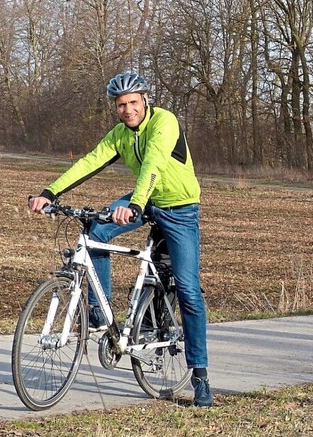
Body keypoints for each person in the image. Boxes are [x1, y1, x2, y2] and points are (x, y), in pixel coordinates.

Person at [28, 71, 213, 408]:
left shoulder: (165, 122)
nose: (127, 110)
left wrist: (136, 204)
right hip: (144, 200)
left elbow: (153, 164)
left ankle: (200, 375)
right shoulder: (120, 135)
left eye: (132, 103)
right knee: (96, 231)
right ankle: (100, 314)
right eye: (120, 105)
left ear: (145, 100)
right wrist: (49, 192)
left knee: (187, 288)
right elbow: (90, 161)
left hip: (179, 208)